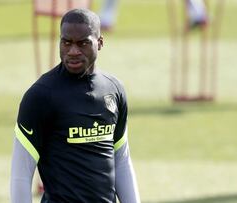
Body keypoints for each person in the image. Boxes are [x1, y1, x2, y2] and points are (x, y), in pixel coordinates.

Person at [10, 8, 140, 203]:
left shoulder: (114, 90)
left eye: (83, 43)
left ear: (100, 43)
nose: (73, 51)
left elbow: (121, 160)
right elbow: (21, 174)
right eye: (66, 42)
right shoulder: (40, 96)